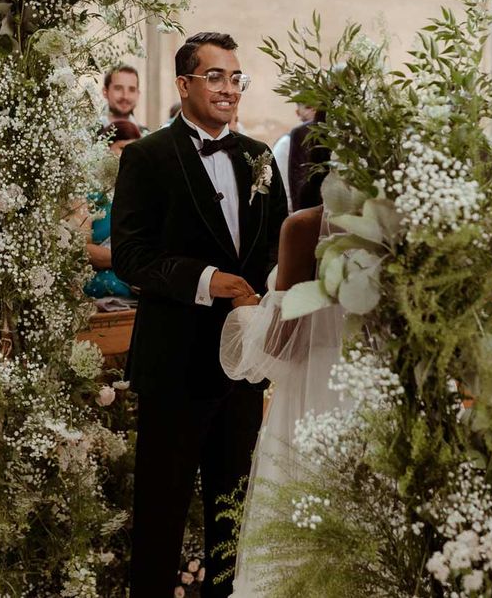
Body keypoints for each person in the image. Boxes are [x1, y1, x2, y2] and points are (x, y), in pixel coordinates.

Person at [111, 31, 288, 598]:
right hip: (176, 362)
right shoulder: (148, 156)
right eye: (215, 76)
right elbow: (132, 256)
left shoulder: (260, 158)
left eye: (236, 78)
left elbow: (276, 248)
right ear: (184, 84)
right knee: (160, 512)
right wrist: (212, 283)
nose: (228, 88)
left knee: (232, 509)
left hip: (242, 365)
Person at [219, 204, 347, 596]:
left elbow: (280, 346)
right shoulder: (418, 217)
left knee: (303, 540)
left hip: (318, 397)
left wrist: (245, 316)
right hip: (390, 394)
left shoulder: (304, 226)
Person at [84, 120, 141, 300]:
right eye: (123, 149)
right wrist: (132, 263)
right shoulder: (89, 193)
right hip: (105, 280)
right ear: (105, 149)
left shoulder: (144, 191)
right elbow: (83, 249)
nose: (130, 156)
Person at [272, 104, 326, 212]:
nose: (315, 111)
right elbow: (285, 194)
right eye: (308, 107)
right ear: (298, 113)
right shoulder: (287, 143)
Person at [102, 65, 148, 134]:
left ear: (138, 94)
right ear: (105, 92)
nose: (125, 96)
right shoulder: (87, 136)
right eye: (118, 88)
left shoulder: (146, 136)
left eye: (131, 90)